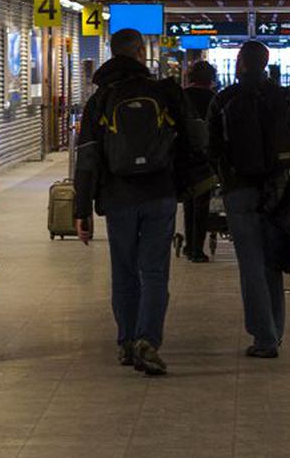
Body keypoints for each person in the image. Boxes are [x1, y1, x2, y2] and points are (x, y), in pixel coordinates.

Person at [74, 29, 195, 376]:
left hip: (118, 196)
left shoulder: (101, 100)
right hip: (159, 193)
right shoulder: (162, 92)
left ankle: (127, 342)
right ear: (141, 53)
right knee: (155, 272)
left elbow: (87, 158)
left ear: (113, 54)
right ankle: (147, 340)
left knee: (124, 270)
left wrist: (81, 210)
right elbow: (190, 140)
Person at [207, 40, 290, 360]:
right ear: (266, 64)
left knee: (250, 263)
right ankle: (274, 332)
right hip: (277, 186)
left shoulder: (223, 99)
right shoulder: (284, 97)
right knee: (272, 263)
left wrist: (222, 177)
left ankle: (263, 337)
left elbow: (212, 148)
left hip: (239, 188)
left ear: (240, 63)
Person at [181, 61, 219, 263]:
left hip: (184, 157)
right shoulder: (215, 99)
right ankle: (197, 248)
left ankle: (189, 245)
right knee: (202, 203)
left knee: (188, 201)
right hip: (206, 158)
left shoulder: (182, 97)